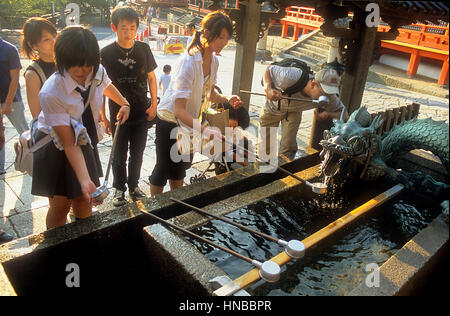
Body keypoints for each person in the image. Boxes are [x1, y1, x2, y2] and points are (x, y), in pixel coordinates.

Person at [31, 25, 131, 229]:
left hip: (83, 138)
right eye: (74, 66)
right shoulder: (51, 92)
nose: (82, 71)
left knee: (84, 199)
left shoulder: (97, 71)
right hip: (58, 143)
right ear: (62, 61)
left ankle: (86, 237)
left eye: (87, 65)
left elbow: (105, 84)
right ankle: (56, 244)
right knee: (61, 203)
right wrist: (84, 179)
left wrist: (124, 103)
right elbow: (69, 144)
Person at [149, 11, 242, 196]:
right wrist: (206, 130)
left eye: (227, 38)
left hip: (190, 122)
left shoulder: (214, 61)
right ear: (206, 32)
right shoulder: (189, 62)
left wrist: (227, 99)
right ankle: (154, 212)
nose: (224, 42)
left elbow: (210, 93)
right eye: (221, 36)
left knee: (180, 167)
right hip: (170, 121)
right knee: (163, 167)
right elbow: (178, 110)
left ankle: (177, 206)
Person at [101, 6, 158, 206]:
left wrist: (154, 106)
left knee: (138, 152)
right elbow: (101, 85)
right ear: (114, 27)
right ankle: (119, 189)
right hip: (117, 114)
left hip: (141, 110)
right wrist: (103, 116)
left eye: (132, 27)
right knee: (119, 154)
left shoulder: (143, 48)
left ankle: (134, 185)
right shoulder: (106, 53)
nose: (128, 32)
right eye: (123, 27)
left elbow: (151, 78)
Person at [260, 65, 346, 160]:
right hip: (273, 108)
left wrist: (329, 115)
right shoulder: (290, 76)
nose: (326, 98)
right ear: (313, 84)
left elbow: (345, 114)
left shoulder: (330, 97)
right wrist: (267, 88)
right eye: (324, 93)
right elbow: (268, 69)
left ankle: (284, 170)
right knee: (266, 149)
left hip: (294, 112)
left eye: (330, 94)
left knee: (288, 148)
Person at [0, 34, 29, 175]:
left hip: (12, 100)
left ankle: (32, 161)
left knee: (24, 131)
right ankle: (0, 168)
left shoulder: (9, 49)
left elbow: (15, 78)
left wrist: (7, 103)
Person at [21, 17, 57, 119]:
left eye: (54, 36)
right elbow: (37, 116)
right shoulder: (33, 74)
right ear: (33, 45)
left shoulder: (66, 61)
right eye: (46, 39)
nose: (54, 41)